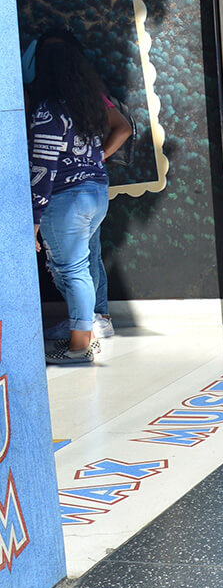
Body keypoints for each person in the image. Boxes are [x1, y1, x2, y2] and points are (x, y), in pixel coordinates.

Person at [28, 32, 132, 365]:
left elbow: (43, 170)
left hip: (65, 200)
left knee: (72, 271)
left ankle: (79, 347)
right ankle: (83, 334)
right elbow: (120, 129)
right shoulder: (87, 103)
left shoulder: (47, 111)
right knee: (80, 267)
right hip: (96, 193)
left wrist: (33, 218)